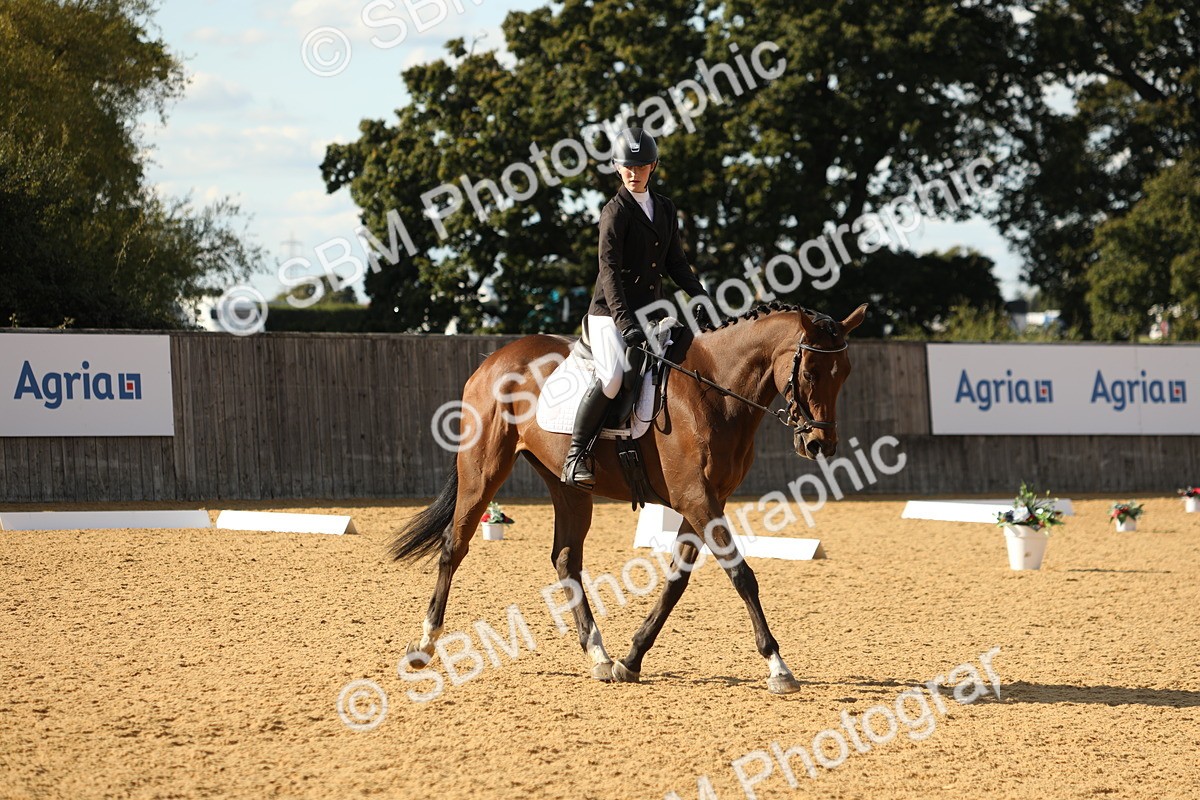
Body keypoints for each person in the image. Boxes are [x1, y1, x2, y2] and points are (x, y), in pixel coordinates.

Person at [560, 127, 710, 489]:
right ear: (616, 166)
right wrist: (625, 322)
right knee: (612, 377)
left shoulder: (665, 208)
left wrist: (700, 297)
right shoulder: (615, 212)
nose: (634, 172)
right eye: (627, 166)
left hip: (651, 312)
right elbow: (608, 272)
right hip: (610, 314)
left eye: (641, 166)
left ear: (653, 166)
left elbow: (676, 264)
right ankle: (576, 454)